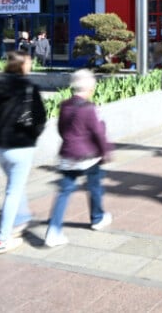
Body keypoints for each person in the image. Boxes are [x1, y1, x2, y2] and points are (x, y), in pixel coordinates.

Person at [0, 51, 47, 254]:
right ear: (21, 65)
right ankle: (3, 239)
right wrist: (32, 136)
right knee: (13, 191)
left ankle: (21, 219)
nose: (30, 65)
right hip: (20, 145)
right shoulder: (29, 87)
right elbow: (40, 119)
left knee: (15, 185)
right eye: (28, 62)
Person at [43, 69, 114, 247]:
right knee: (95, 187)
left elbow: (61, 129)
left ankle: (53, 230)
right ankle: (97, 218)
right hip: (89, 156)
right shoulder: (89, 109)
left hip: (68, 154)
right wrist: (106, 151)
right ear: (89, 88)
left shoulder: (65, 105)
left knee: (64, 192)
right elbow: (98, 132)